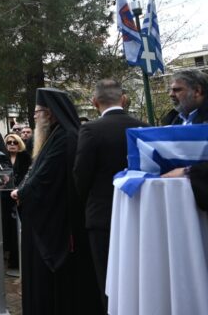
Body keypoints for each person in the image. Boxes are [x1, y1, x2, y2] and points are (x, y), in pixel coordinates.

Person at [10, 88, 102, 315]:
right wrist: (23, 189)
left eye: (37, 112)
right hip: (43, 216)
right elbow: (35, 171)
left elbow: (45, 177)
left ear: (50, 114)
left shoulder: (65, 136)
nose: (34, 117)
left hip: (58, 222)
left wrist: (22, 193)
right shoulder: (52, 137)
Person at [72, 79, 147, 310]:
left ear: (95, 102)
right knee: (139, 277)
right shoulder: (143, 127)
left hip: (102, 215)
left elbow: (80, 174)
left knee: (108, 280)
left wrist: (86, 202)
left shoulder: (91, 130)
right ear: (123, 99)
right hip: (140, 213)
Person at [162, 70, 208, 211]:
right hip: (178, 204)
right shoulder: (171, 120)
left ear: (197, 91)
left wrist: (189, 171)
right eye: (170, 90)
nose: (170, 94)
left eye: (177, 89)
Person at [3, 133, 31, 274]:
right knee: (9, 229)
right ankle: (12, 260)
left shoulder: (25, 157)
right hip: (6, 198)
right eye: (9, 142)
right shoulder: (3, 158)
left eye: (15, 142)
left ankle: (22, 260)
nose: (12, 144)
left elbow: (28, 175)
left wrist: (19, 191)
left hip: (21, 196)